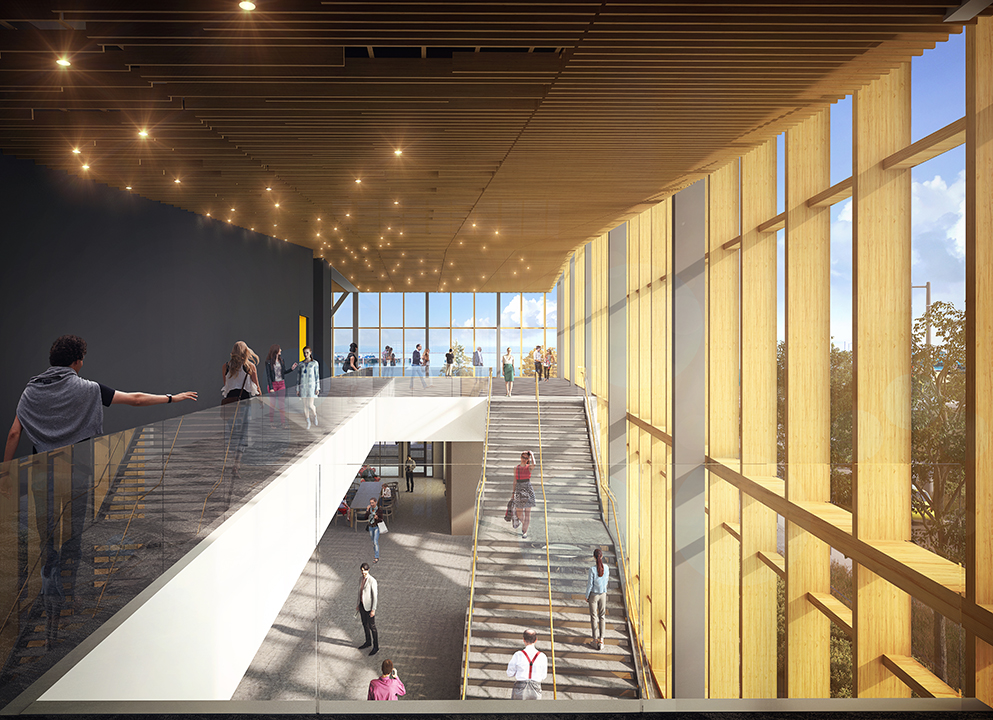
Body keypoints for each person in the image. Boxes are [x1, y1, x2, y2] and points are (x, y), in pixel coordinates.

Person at [4, 334, 198, 462]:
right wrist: (172, 398)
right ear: (77, 361)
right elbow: (136, 399)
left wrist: (6, 472)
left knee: (42, 518)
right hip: (76, 463)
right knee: (74, 519)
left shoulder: (32, 389)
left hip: (41, 464)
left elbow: (14, 433)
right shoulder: (88, 388)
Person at [222, 341, 261, 478]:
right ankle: (236, 464)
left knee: (232, 433)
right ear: (245, 352)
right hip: (244, 403)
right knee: (242, 434)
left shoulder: (225, 367)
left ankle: (233, 459)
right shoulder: (250, 367)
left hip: (230, 404)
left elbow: (226, 387)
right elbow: (257, 387)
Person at [506, 629, 547, 700]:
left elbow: (509, 673)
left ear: (523, 640)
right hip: (536, 688)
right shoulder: (542, 656)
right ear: (536, 640)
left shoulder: (518, 655)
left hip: (520, 688)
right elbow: (543, 676)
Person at [264, 344, 298, 427]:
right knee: (272, 404)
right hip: (273, 384)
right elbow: (268, 376)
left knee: (282, 404)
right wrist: (271, 387)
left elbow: (283, 372)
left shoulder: (281, 360)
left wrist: (291, 369)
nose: (281, 350)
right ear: (276, 351)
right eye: (279, 349)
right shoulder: (268, 362)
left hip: (281, 384)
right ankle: (271, 423)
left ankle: (283, 423)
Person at [586, 547, 609, 650]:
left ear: (594, 557)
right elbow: (607, 580)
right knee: (602, 616)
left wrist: (587, 596)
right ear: (602, 556)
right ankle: (602, 639)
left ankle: (595, 640)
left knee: (594, 617)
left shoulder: (592, 569)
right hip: (603, 594)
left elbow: (590, 585)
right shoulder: (607, 568)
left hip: (594, 595)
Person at [511, 450, 536, 539]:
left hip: (528, 489)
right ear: (520, 457)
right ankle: (525, 523)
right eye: (523, 457)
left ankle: (524, 532)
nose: (524, 459)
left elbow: (535, 464)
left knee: (527, 513)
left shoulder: (529, 467)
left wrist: (532, 454)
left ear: (528, 459)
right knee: (519, 513)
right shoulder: (516, 468)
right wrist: (513, 493)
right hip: (518, 489)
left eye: (526, 458)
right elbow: (515, 481)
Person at [356, 562, 379, 655]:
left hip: (369, 608)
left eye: (364, 570)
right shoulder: (360, 579)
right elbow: (359, 593)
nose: (363, 572)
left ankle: (376, 646)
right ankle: (368, 642)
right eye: (361, 570)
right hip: (362, 606)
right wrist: (358, 604)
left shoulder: (372, 581)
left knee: (372, 627)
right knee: (365, 624)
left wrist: (373, 609)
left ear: (368, 570)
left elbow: (375, 596)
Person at [297, 345, 320, 428]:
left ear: (310, 352)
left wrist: (317, 387)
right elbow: (298, 378)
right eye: (304, 353)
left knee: (310, 405)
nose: (305, 354)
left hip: (311, 387)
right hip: (302, 387)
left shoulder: (315, 363)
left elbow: (317, 376)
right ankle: (308, 422)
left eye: (307, 352)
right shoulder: (301, 364)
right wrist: (297, 389)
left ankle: (315, 416)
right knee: (304, 406)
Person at [366, 497, 384, 563]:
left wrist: (377, 518)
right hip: (371, 526)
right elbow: (365, 517)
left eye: (372, 503)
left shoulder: (379, 510)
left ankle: (377, 556)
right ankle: (375, 553)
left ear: (376, 502)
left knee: (375, 541)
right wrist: (367, 510)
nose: (371, 504)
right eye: (370, 503)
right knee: (373, 542)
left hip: (376, 527)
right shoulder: (370, 510)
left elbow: (381, 519)